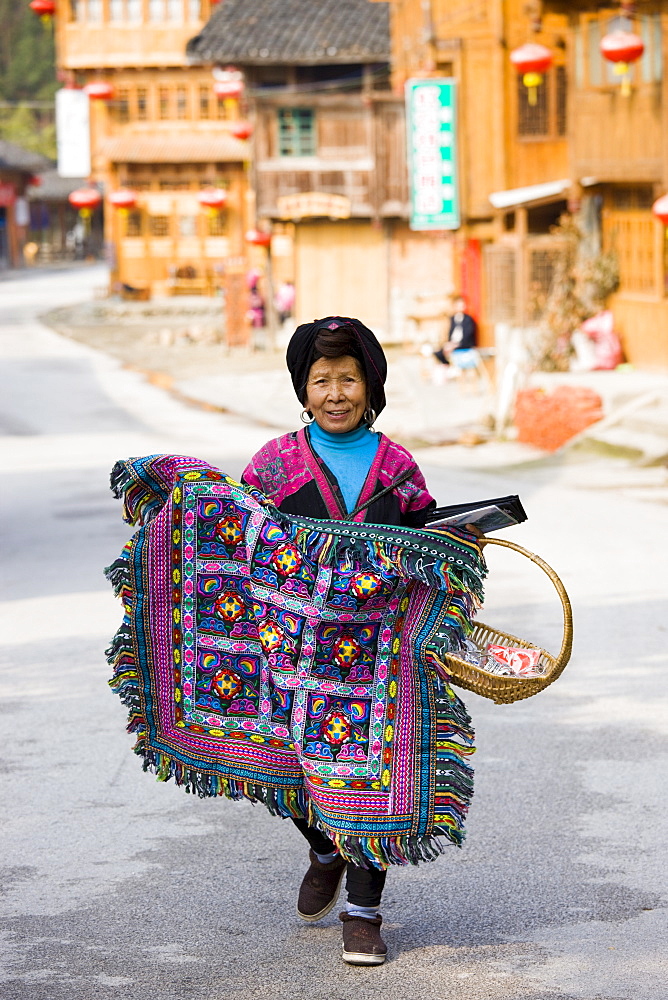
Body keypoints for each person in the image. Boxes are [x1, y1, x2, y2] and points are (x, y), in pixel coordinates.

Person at [241, 316, 483, 966]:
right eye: (322, 380)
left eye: (349, 378)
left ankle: (363, 912)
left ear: (370, 385)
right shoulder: (272, 465)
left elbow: (425, 534)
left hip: (377, 659)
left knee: (370, 777)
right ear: (304, 388)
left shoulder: (397, 465)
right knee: (295, 772)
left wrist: (461, 540)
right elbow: (241, 538)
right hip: (294, 657)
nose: (336, 393)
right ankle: (323, 848)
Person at [434, 294, 477, 366]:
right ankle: (447, 367)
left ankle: (450, 367)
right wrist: (450, 343)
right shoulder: (452, 319)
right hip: (453, 343)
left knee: (448, 351)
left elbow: (468, 335)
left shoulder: (468, 319)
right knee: (438, 352)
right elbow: (450, 333)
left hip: (464, 344)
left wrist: (455, 344)